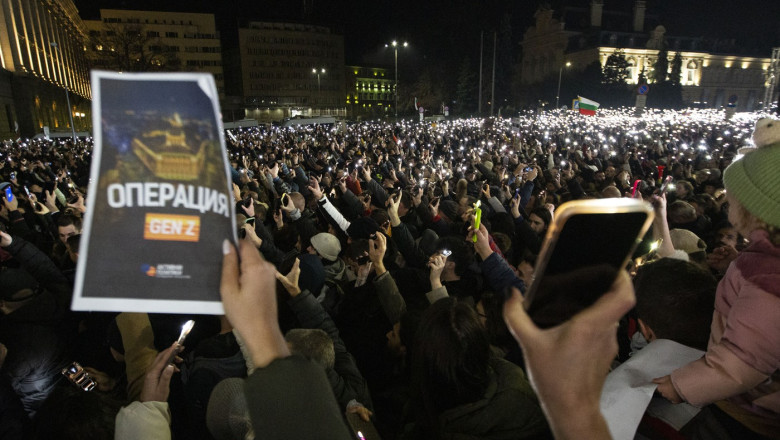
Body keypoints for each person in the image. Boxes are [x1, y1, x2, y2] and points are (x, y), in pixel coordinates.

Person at [653, 118, 780, 439]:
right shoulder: (765, 268)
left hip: (747, 412)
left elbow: (744, 360)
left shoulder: (766, 280)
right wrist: (737, 267)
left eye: (734, 201)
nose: (728, 206)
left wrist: (682, 385)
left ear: (756, 211)